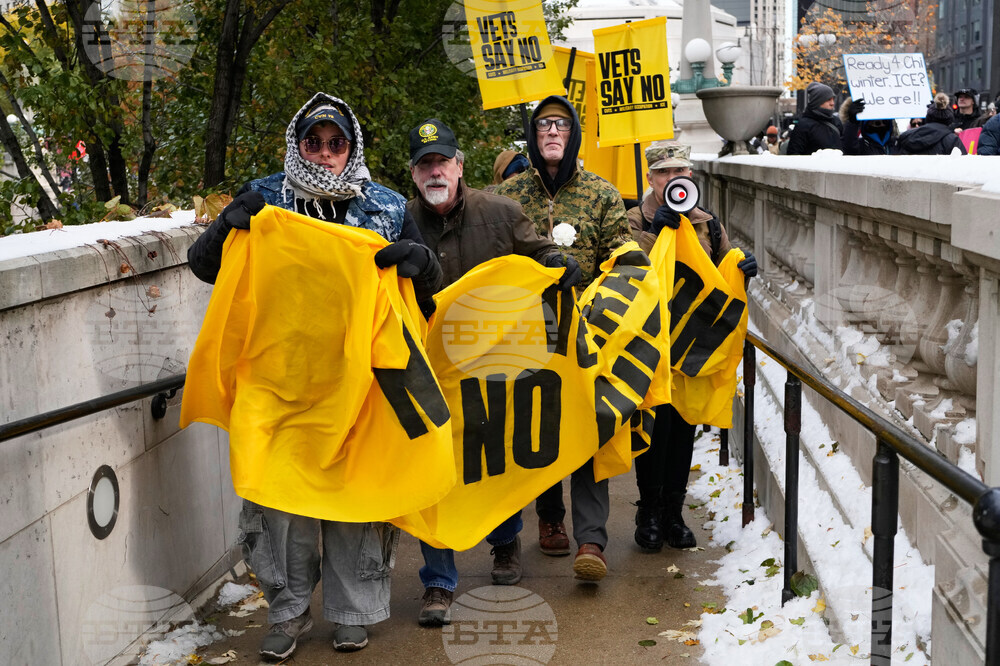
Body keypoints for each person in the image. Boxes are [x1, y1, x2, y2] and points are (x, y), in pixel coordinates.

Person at [187, 94, 442, 661]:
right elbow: (206, 266)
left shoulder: (386, 206)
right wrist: (226, 224)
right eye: (313, 142)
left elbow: (425, 282)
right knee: (283, 503)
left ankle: (353, 613)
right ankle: (288, 612)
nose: (324, 154)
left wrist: (420, 264)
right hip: (279, 379)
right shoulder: (266, 197)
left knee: (354, 499)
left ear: (350, 147)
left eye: (336, 144)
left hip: (360, 384)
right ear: (296, 144)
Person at [405, 117, 581, 626]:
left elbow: (538, 251)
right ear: (414, 174)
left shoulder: (502, 212)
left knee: (492, 460)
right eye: (424, 165)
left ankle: (505, 544)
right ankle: (438, 581)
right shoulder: (400, 220)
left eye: (442, 162)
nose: (434, 172)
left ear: (459, 166)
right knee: (434, 471)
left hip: (492, 366)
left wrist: (557, 260)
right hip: (430, 370)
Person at [496, 95, 630, 580]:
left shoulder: (601, 193)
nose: (552, 131)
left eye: (562, 124)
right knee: (538, 430)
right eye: (543, 125)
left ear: (574, 134)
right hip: (526, 333)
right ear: (532, 136)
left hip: (587, 333)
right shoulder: (509, 193)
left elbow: (624, 256)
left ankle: (591, 539)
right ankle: (549, 517)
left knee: (589, 426)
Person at [625, 140, 757, 551]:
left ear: (691, 177)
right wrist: (654, 230)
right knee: (653, 429)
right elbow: (626, 266)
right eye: (664, 173)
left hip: (689, 349)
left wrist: (743, 266)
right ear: (650, 178)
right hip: (649, 344)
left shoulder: (707, 223)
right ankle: (647, 510)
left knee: (682, 431)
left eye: (679, 172)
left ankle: (673, 512)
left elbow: (721, 269)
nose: (672, 179)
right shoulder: (633, 219)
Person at [895, 92, 968, 155]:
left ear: (928, 117)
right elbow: (962, 165)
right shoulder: (952, 140)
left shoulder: (907, 137)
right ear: (949, 119)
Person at [786, 82, 843, 155]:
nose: (832, 103)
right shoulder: (803, 126)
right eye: (828, 99)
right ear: (817, 102)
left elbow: (847, 147)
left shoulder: (836, 121)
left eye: (833, 99)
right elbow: (793, 155)